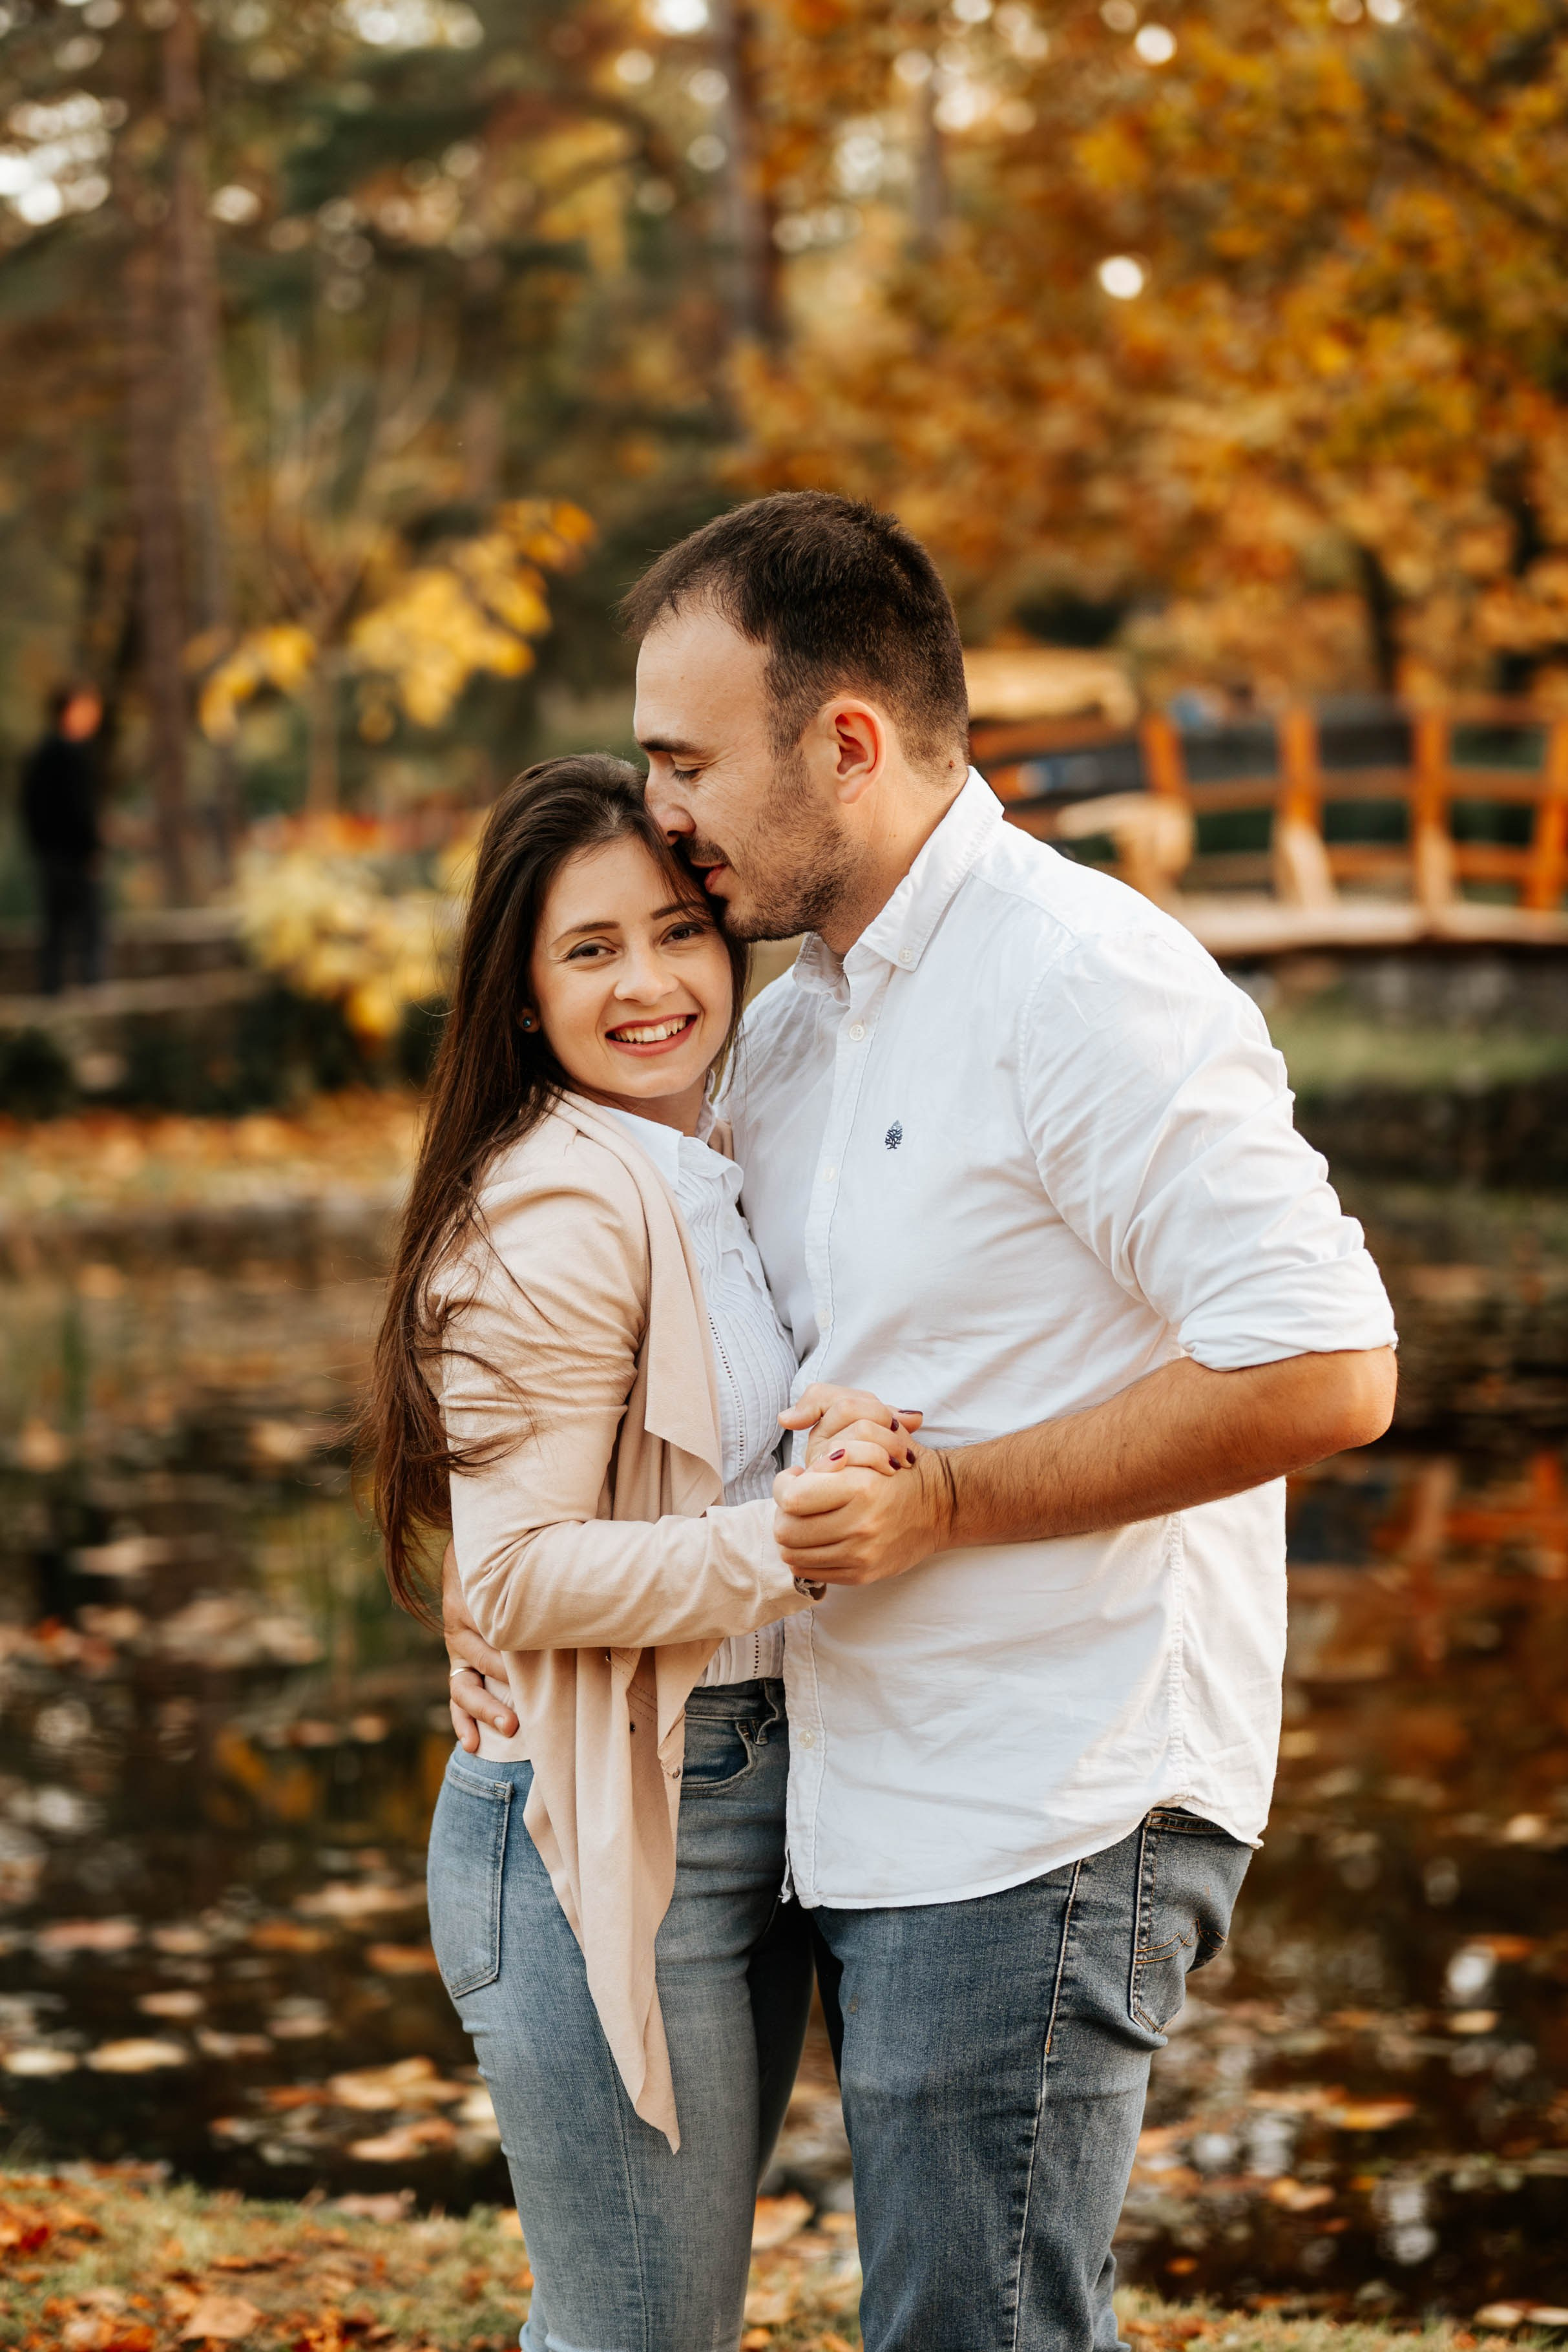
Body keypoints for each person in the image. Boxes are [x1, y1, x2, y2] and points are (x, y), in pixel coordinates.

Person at [448, 495, 1399, 2351]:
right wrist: (513, 1597)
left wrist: (944, 1503)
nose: (663, 811)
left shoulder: (1079, 981)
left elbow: (1323, 1366)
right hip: (854, 1793)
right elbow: (685, 1394)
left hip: (1046, 1798)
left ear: (843, 744)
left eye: (685, 763)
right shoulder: (795, 1025)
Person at [365, 753, 906, 2352]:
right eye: (589, 949)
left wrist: (827, 1442)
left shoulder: (687, 1162)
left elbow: (645, 1471)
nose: (649, 983)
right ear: (525, 996)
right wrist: (790, 1543)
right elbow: (515, 1575)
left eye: (676, 931)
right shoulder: (562, 1207)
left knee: (648, 2323)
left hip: (726, 1790)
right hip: (597, 1820)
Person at [19, 682, 107, 995]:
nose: (95, 715)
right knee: (84, 921)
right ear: (70, 710)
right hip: (68, 854)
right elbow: (77, 809)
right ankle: (86, 985)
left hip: (55, 852)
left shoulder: (50, 751)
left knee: (59, 923)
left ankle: (56, 987)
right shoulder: (65, 753)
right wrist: (90, 848)